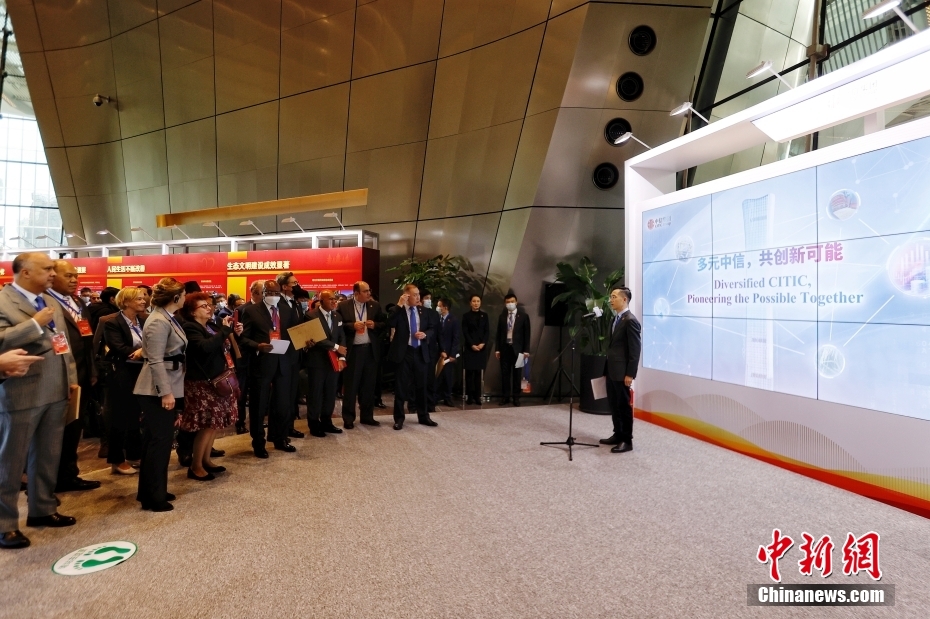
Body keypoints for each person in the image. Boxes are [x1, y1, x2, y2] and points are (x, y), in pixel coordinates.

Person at [0, 252, 79, 549]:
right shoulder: (4, 301)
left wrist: (70, 377)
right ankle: (5, 524)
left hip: (55, 389)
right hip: (21, 392)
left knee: (47, 455)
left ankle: (42, 508)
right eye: (46, 269)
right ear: (25, 272)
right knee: (10, 462)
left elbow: (62, 342)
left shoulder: (48, 301)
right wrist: (34, 324)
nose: (52, 273)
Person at [133, 277, 187, 512]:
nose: (185, 299)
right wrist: (165, 393)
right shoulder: (157, 320)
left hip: (167, 384)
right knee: (159, 442)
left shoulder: (166, 317)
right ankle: (153, 497)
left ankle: (152, 490)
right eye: (183, 295)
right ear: (175, 298)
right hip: (155, 389)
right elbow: (155, 359)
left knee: (156, 441)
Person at [47, 260, 101, 493]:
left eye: (75, 276)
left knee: (74, 428)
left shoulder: (78, 302)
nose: (73, 280)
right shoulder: (46, 302)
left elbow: (88, 341)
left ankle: (69, 475)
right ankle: (49, 481)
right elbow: (55, 342)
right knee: (54, 432)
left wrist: (92, 370)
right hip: (59, 376)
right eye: (68, 275)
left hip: (83, 374)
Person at [180, 292, 242, 480]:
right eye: (203, 306)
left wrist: (234, 333)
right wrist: (224, 331)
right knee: (206, 425)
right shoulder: (190, 327)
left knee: (214, 424)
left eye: (209, 305)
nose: (209, 308)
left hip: (217, 379)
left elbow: (223, 346)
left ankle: (206, 460)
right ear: (192, 312)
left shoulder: (211, 326)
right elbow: (204, 348)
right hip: (202, 383)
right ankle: (196, 466)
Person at [239, 279, 300, 457]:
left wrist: (305, 340)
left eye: (276, 293)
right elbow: (243, 338)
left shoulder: (287, 309)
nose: (273, 296)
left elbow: (294, 332)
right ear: (263, 293)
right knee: (259, 405)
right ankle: (259, 443)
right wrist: (258, 346)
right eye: (270, 293)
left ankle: (280, 438)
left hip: (283, 362)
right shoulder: (251, 311)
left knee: (282, 404)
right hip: (262, 363)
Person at [103, 287, 147, 475]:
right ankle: (117, 459)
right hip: (122, 374)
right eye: (139, 299)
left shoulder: (143, 321)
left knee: (135, 416)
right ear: (126, 302)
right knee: (120, 417)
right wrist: (142, 352)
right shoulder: (112, 322)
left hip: (141, 372)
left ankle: (134, 454)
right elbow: (118, 347)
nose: (143, 301)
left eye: (143, 298)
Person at [386, 284, 437, 431]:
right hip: (404, 352)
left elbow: (432, 328)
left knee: (422, 386)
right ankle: (399, 419)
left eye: (418, 294)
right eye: (414, 295)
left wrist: (425, 334)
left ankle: (423, 416)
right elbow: (390, 323)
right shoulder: (398, 310)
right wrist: (399, 305)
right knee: (401, 387)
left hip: (420, 352)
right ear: (407, 296)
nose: (418, 297)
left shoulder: (424, 311)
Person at [336, 281, 384, 429]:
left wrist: (375, 325)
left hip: (370, 350)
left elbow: (384, 323)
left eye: (369, 290)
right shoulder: (343, 306)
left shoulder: (374, 305)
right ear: (356, 293)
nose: (369, 293)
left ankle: (367, 416)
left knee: (368, 386)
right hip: (353, 351)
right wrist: (352, 326)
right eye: (365, 291)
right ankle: (348, 418)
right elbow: (337, 326)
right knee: (351, 386)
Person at [600, 286, 642, 454]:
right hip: (612, 370)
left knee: (623, 406)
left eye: (614, 297)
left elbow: (635, 350)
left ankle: (626, 440)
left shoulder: (630, 321)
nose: (611, 300)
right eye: (611, 297)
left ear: (624, 299)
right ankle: (617, 434)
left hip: (622, 372)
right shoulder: (616, 319)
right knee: (614, 404)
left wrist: (630, 373)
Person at [304, 290, 346, 436]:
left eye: (335, 299)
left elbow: (341, 336)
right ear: (321, 301)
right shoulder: (311, 315)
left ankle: (327, 422)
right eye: (331, 299)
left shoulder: (337, 315)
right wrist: (336, 347)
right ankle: (314, 424)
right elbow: (316, 338)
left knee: (330, 393)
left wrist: (341, 356)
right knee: (315, 394)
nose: (334, 301)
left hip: (333, 361)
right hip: (317, 361)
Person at [495, 292, 530, 406]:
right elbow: (499, 334)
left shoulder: (523, 316)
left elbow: (527, 334)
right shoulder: (502, 316)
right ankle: (505, 397)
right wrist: (497, 349)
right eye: (508, 302)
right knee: (505, 374)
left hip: (518, 350)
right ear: (505, 303)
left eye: (512, 301)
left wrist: (526, 350)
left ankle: (516, 397)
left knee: (517, 374)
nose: (510, 304)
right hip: (505, 349)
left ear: (516, 302)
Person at [461, 294, 489, 405]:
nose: (476, 303)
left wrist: (483, 343)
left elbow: (487, 331)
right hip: (470, 347)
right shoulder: (466, 316)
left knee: (478, 373)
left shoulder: (484, 315)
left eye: (478, 301)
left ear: (480, 303)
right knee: (469, 373)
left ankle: (478, 397)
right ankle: (470, 397)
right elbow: (465, 332)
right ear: (470, 303)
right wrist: (472, 344)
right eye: (474, 301)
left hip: (481, 348)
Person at [435, 298, 460, 407]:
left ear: (445, 307)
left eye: (439, 306)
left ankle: (447, 397)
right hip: (438, 352)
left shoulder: (453, 320)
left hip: (449, 354)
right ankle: (436, 397)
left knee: (448, 376)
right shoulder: (437, 319)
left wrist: (452, 354)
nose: (437, 308)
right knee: (437, 375)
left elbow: (456, 338)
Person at [419, 291, 441, 413]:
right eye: (426, 298)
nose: (429, 300)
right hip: (418, 349)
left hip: (431, 350)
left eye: (430, 298)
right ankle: (414, 404)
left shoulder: (434, 314)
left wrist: (442, 349)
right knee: (416, 379)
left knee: (430, 379)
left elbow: (438, 332)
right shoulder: (415, 311)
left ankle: (430, 405)